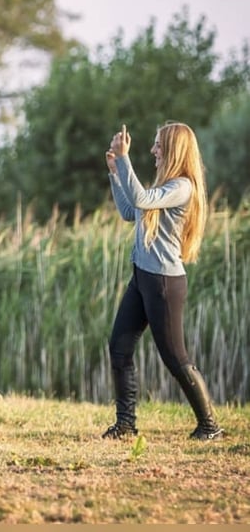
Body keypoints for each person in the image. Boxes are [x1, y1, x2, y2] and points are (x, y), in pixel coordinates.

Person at [103, 122, 223, 440]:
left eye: (158, 145)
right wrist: (116, 172)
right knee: (119, 347)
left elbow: (140, 199)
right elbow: (131, 210)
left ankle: (210, 425)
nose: (154, 150)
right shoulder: (165, 187)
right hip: (142, 277)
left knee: (174, 357)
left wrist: (125, 157)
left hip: (163, 284)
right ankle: (126, 425)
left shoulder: (182, 187)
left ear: (173, 149)